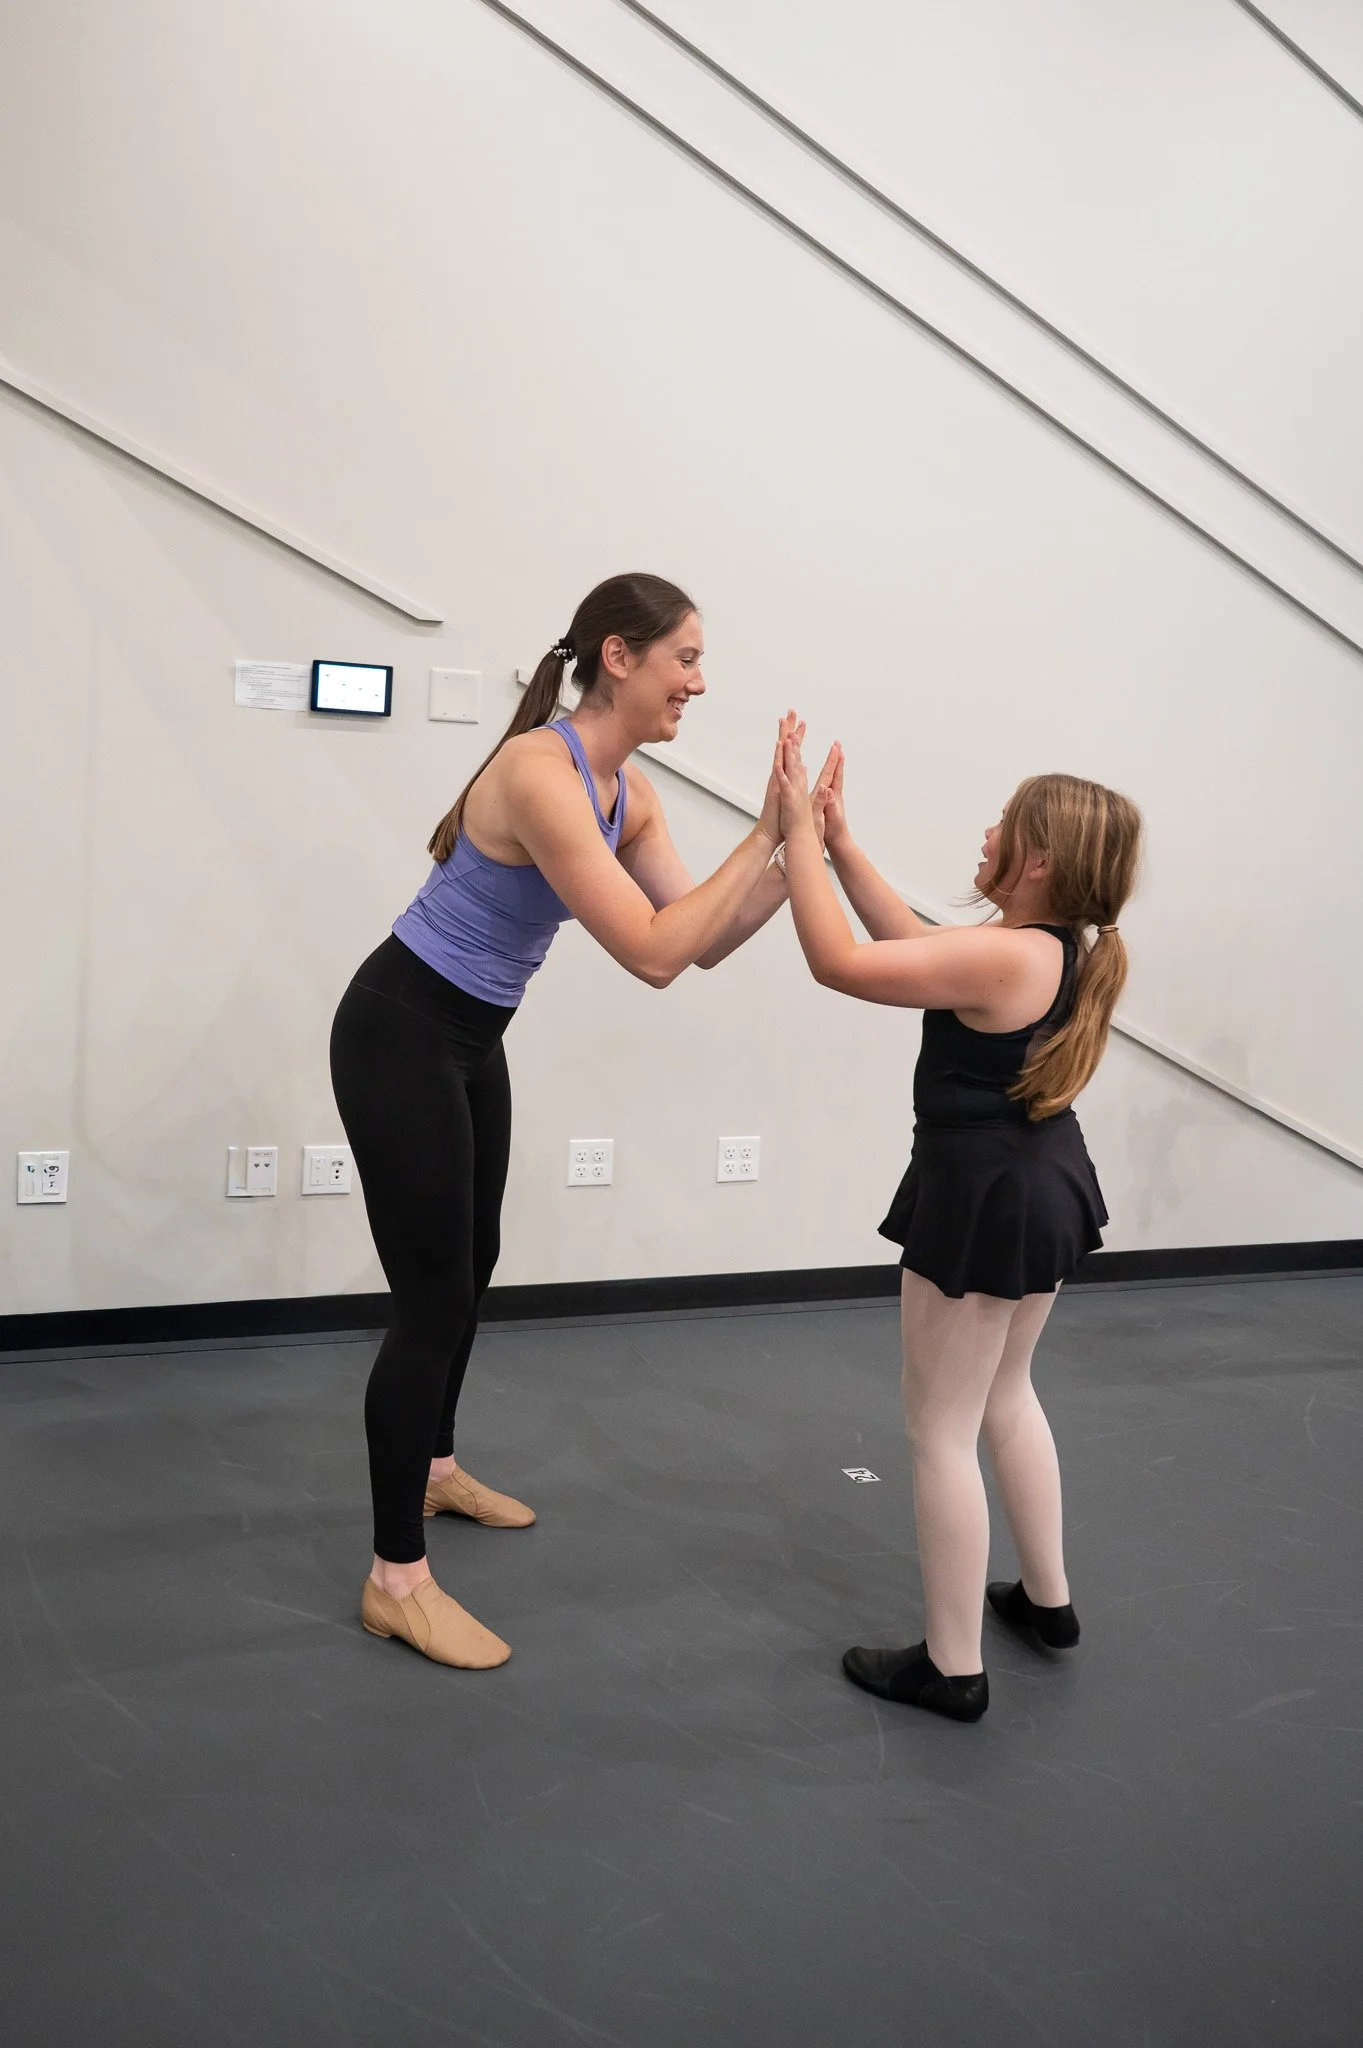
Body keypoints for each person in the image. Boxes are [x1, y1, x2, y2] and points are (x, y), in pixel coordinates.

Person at [330, 572, 822, 1670]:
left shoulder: (626, 794)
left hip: (469, 1038)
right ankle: (394, 1580)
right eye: (685, 658)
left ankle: (432, 1467)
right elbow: (651, 955)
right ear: (618, 656)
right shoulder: (538, 773)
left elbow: (699, 937)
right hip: (398, 1031)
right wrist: (762, 832)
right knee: (432, 1299)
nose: (698, 681)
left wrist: (799, 852)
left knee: (476, 1261)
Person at [780, 739, 1142, 1721]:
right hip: (1041, 1182)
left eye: (1005, 823)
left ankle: (951, 1667)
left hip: (985, 1196)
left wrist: (796, 837)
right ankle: (1046, 1602)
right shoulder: (1049, 948)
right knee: (1005, 1395)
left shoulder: (1005, 953)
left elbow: (839, 962)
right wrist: (839, 843)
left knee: (937, 1428)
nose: (987, 832)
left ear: (1038, 860)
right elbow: (908, 944)